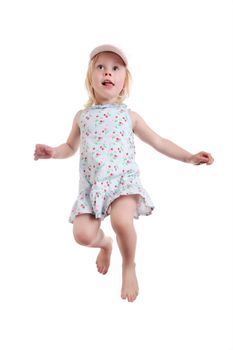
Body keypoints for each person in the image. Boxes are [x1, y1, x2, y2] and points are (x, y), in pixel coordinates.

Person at [34, 44, 214, 302]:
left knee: (121, 221)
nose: (108, 73)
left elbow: (159, 141)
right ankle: (106, 244)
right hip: (92, 188)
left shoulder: (129, 116)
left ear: (123, 81)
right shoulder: (81, 117)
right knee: (82, 235)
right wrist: (53, 152)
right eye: (101, 67)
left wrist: (189, 157)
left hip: (122, 183)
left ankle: (128, 264)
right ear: (90, 78)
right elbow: (70, 147)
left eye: (115, 69)